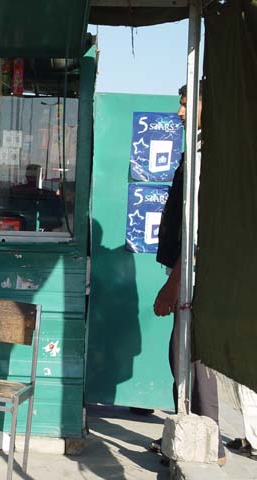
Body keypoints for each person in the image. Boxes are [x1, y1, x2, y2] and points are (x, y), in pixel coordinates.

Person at [151, 82, 225, 465]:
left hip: (194, 270)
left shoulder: (209, 154)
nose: (180, 112)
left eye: (185, 104)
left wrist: (175, 279)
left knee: (192, 355)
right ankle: (192, 433)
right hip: (187, 268)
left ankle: (208, 441)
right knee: (183, 353)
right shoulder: (195, 149)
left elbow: (197, 228)